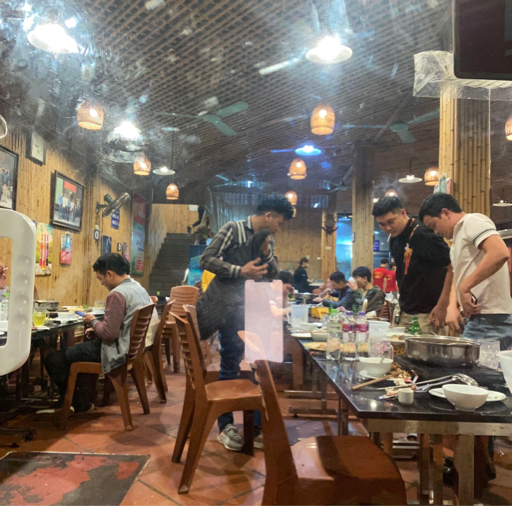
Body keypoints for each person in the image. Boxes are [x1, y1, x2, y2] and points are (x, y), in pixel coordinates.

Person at [419, 192, 510, 496]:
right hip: (479, 322)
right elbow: (458, 273)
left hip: (494, 322)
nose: (436, 232)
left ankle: (476, 475)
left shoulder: (473, 221)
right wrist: (452, 306)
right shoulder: (456, 239)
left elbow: (499, 253)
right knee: (477, 393)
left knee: (482, 399)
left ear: (446, 212)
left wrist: (465, 288)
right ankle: (476, 468)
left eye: (434, 225)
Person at [197, 194, 294, 451]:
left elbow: (272, 274)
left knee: (261, 365)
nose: (278, 228)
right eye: (279, 222)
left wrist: (266, 255)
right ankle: (225, 427)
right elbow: (206, 259)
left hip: (256, 306)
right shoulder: (234, 229)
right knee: (231, 362)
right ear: (269, 216)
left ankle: (257, 428)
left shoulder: (267, 240)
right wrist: (239, 271)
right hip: (229, 307)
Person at [44, 253, 157, 412]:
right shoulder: (138, 288)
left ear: (110, 274)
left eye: (101, 278)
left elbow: (109, 334)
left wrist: (92, 321)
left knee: (54, 359)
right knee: (78, 351)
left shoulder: (117, 294)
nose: (102, 283)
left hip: (115, 351)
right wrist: (98, 327)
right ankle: (83, 396)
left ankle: (78, 403)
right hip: (131, 348)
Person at [372, 196, 452, 333]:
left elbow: (452, 267)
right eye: (382, 224)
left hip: (427, 313)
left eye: (391, 221)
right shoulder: (394, 238)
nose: (388, 228)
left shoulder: (423, 234)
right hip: (404, 311)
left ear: (403, 213)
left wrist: (443, 305)